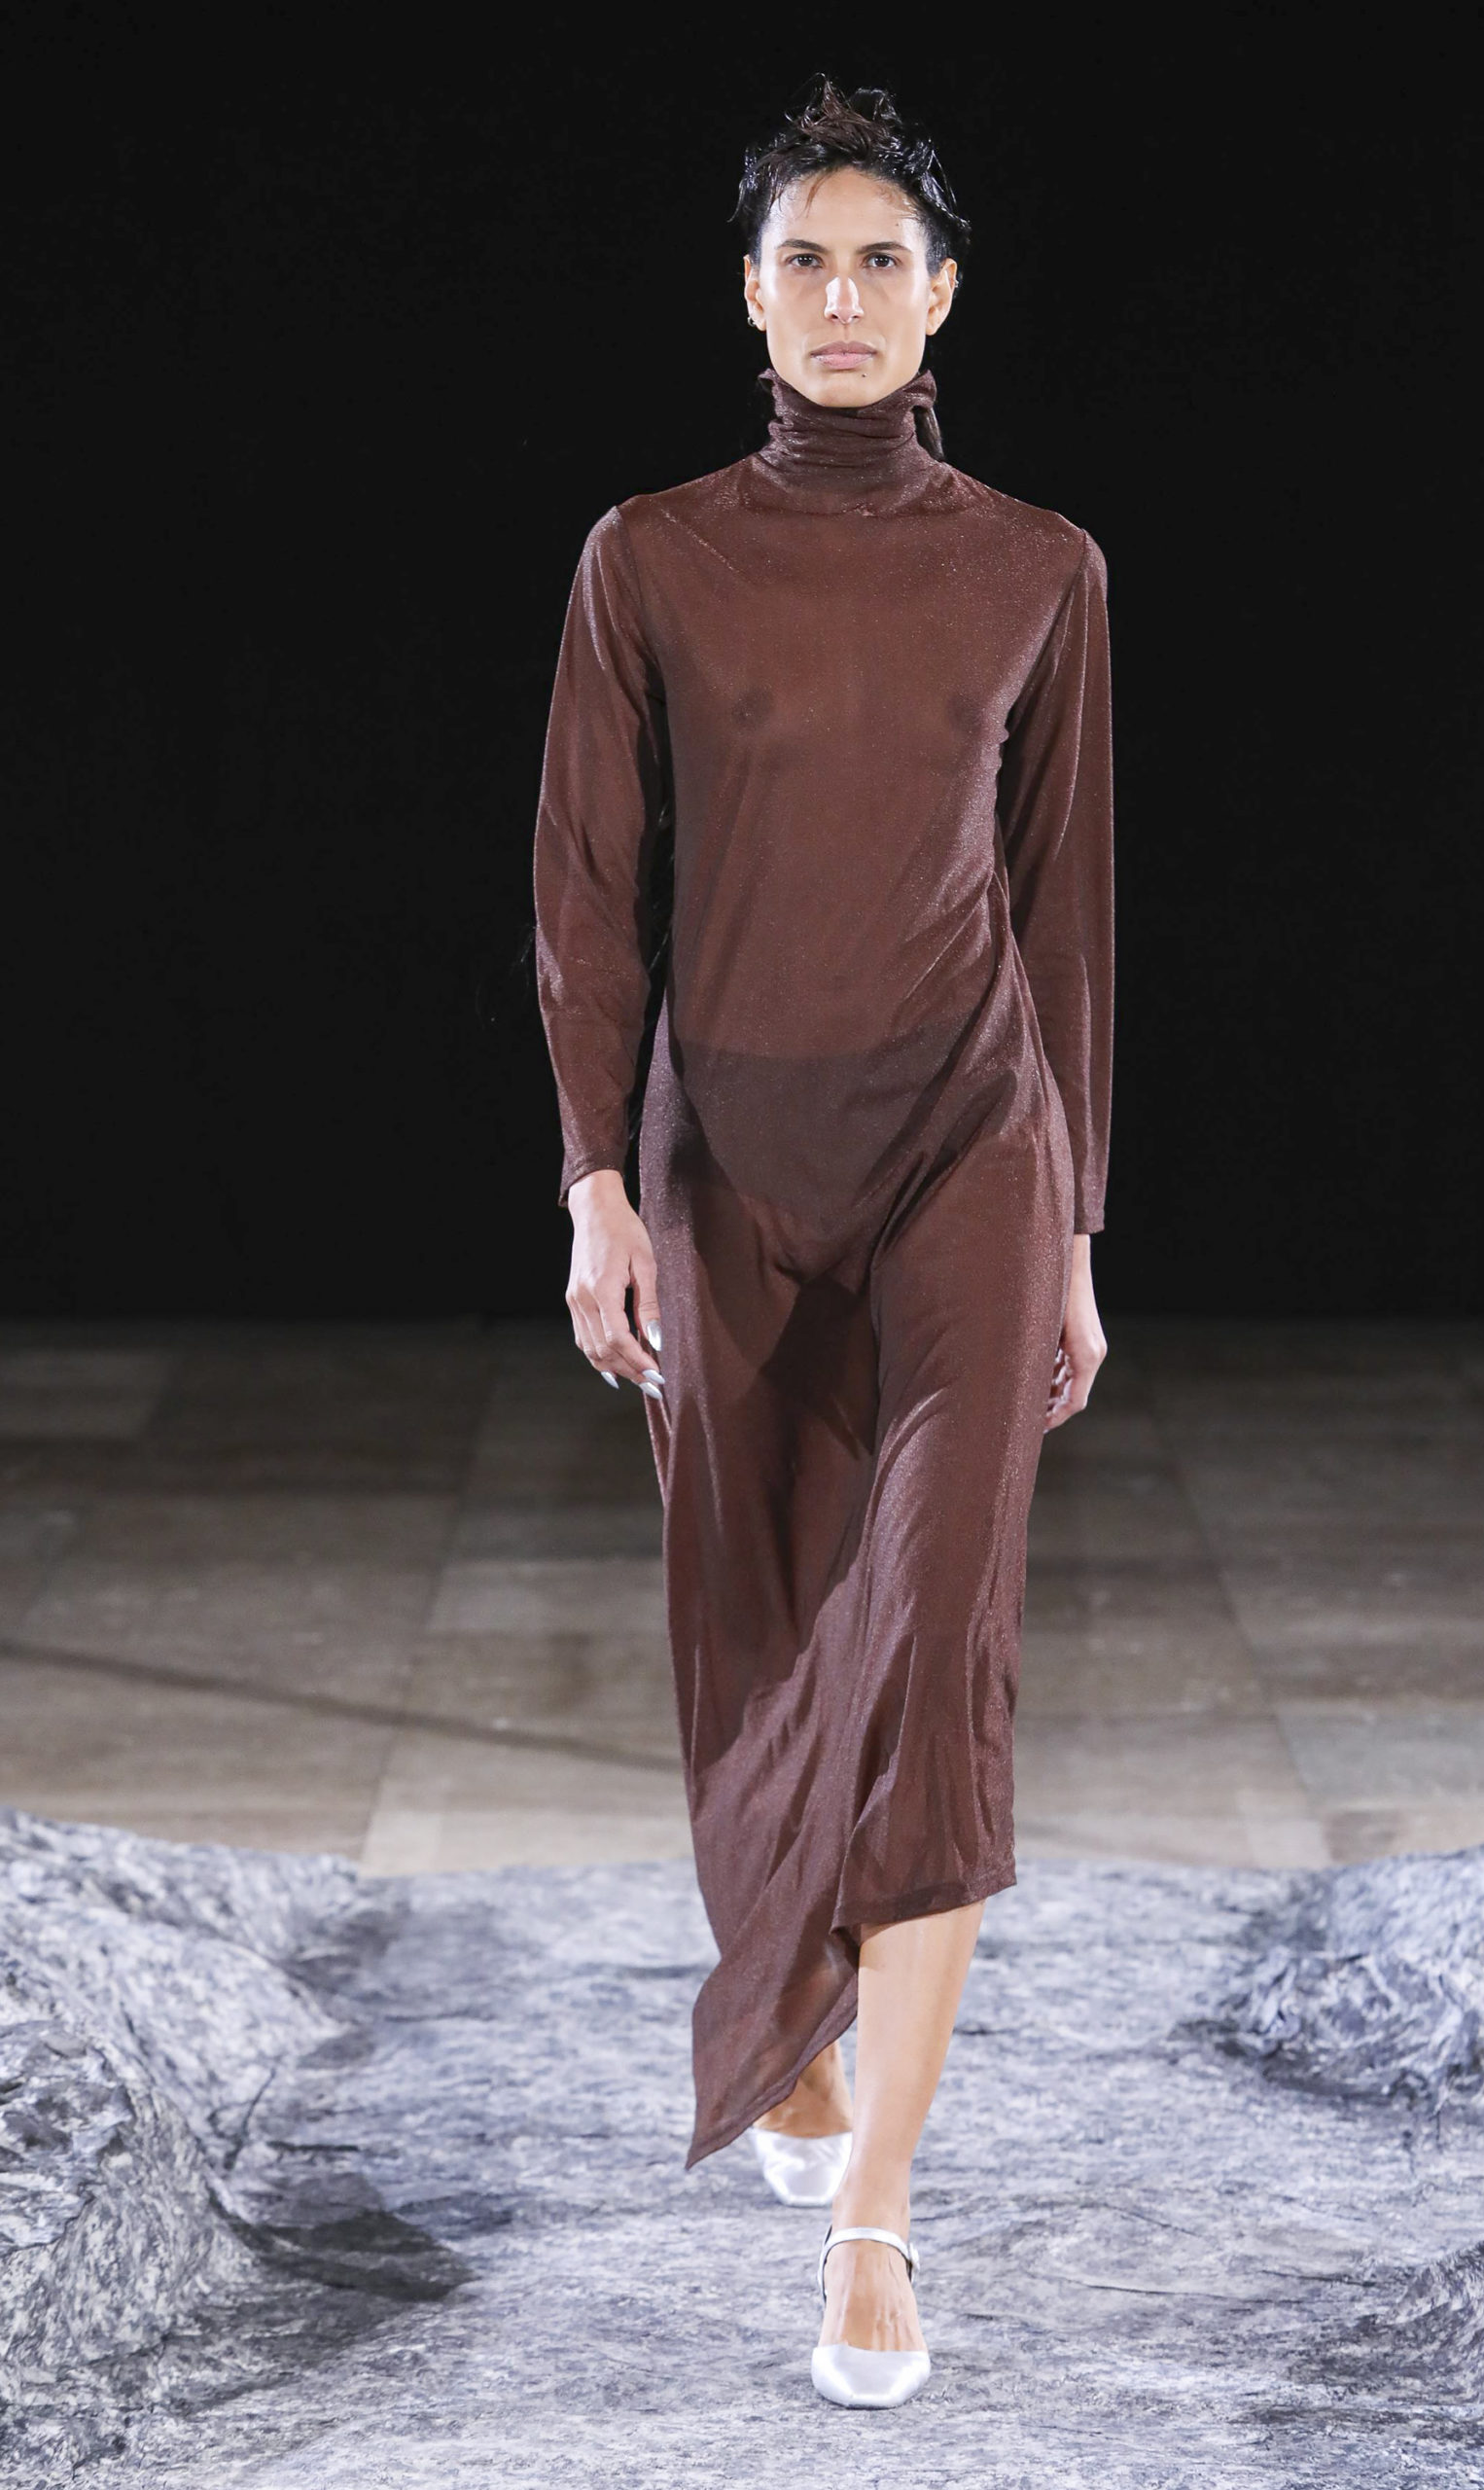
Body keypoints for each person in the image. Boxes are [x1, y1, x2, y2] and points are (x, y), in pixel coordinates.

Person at [534, 79, 1113, 2409]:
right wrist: (595, 1180)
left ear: (941, 293)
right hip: (728, 1163)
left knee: (936, 1648)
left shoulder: (1039, 567)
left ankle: (875, 2216)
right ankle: (784, 2016)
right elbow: (587, 896)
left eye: (883, 259)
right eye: (805, 259)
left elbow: (1063, 921)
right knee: (759, 1634)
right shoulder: (650, 556)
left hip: (970, 1138)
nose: (844, 295)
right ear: (749, 296)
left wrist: (1074, 1224)